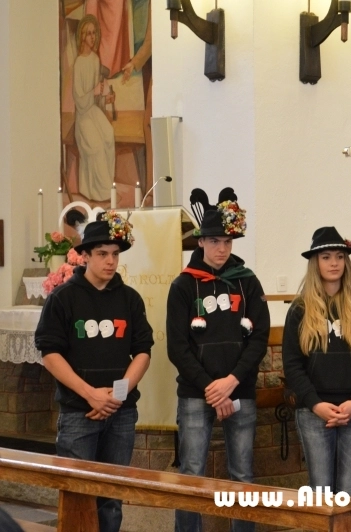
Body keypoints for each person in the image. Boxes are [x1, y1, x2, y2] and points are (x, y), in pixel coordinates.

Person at [35, 211, 152, 532]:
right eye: (102, 254)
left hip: (120, 412)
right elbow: (50, 354)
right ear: (84, 255)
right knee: (77, 497)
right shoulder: (63, 298)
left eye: (115, 254)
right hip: (78, 412)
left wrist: (116, 396)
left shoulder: (130, 299)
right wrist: (91, 395)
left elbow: (143, 351)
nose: (110, 261)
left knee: (111, 499)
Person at [166, 188, 270, 532]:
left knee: (242, 474)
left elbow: (258, 338)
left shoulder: (247, 282)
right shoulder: (183, 286)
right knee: (191, 474)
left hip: (239, 390)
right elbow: (177, 347)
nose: (221, 248)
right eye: (214, 241)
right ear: (201, 242)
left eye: (227, 241)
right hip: (197, 393)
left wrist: (231, 382)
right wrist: (212, 388)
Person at [282, 226, 351, 496]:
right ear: (315, 263)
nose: (334, 263)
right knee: (321, 490)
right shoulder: (300, 309)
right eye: (326, 257)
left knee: (348, 490)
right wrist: (316, 404)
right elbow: (292, 364)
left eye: (339, 256)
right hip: (314, 412)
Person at [73, 15, 116, 203]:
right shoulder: (78, 64)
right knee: (96, 145)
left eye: (94, 33)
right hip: (83, 116)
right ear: (82, 36)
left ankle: (108, 187)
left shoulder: (95, 60)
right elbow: (79, 101)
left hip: (93, 110)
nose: (92, 37)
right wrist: (94, 92)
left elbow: (97, 97)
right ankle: (99, 192)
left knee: (109, 134)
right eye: (88, 33)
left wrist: (105, 97)